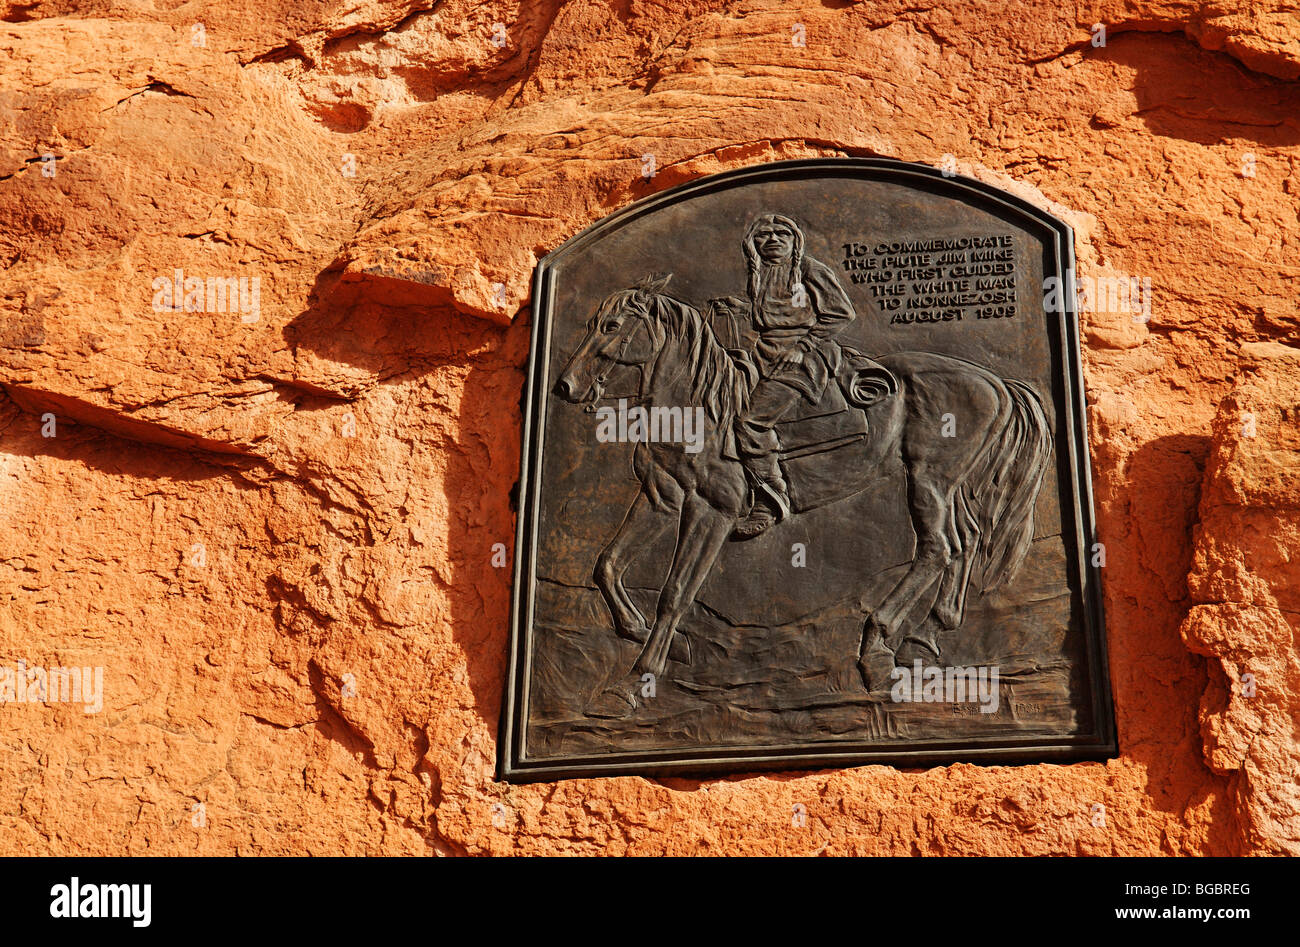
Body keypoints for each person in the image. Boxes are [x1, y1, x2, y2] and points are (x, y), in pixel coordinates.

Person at [721, 214, 858, 539]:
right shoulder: (759, 274)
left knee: (751, 423)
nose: (772, 240)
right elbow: (774, 311)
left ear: (794, 240)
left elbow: (841, 313)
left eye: (781, 233)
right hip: (765, 352)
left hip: (804, 356)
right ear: (753, 244)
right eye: (763, 235)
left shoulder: (810, 270)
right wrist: (740, 307)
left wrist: (805, 344)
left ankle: (771, 502)